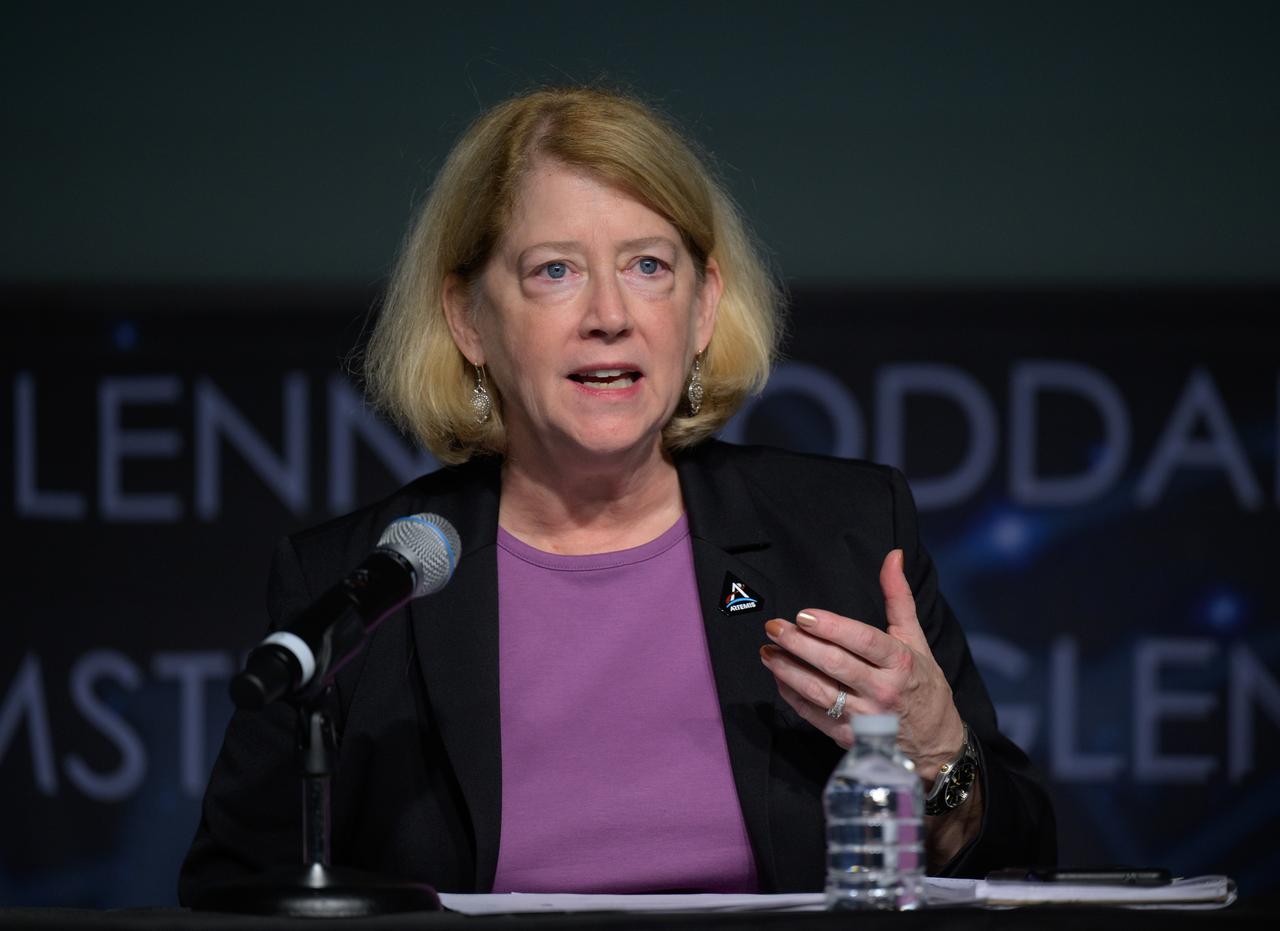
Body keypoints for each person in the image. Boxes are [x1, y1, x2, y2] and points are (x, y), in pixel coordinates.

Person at [180, 86, 1054, 901]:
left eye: (647, 265)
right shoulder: (358, 583)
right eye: (555, 270)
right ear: (469, 318)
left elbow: (1019, 863)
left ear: (703, 306)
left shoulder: (845, 536)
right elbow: (229, 891)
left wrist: (938, 752)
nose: (609, 314)